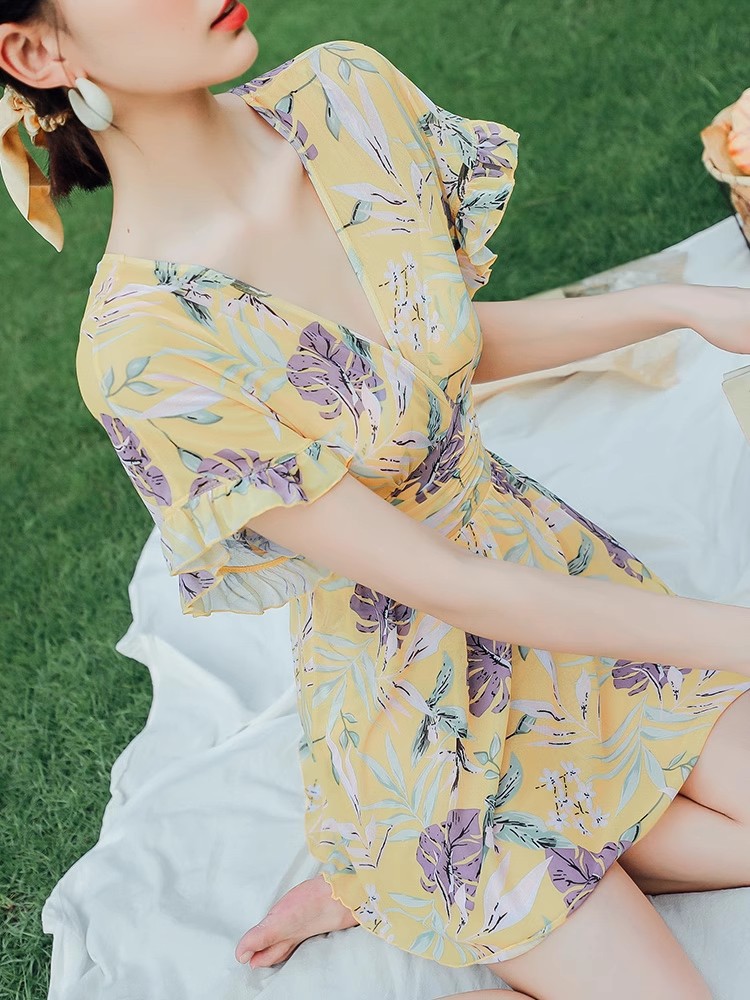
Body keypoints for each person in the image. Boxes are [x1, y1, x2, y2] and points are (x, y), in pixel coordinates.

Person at [2, 4, 750, 999]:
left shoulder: (343, 94)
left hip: (553, 579)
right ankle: (396, 867)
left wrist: (678, 307)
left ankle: (426, 872)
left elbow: (433, 349)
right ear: (36, 51)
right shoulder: (143, 351)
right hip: (423, 724)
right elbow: (448, 586)